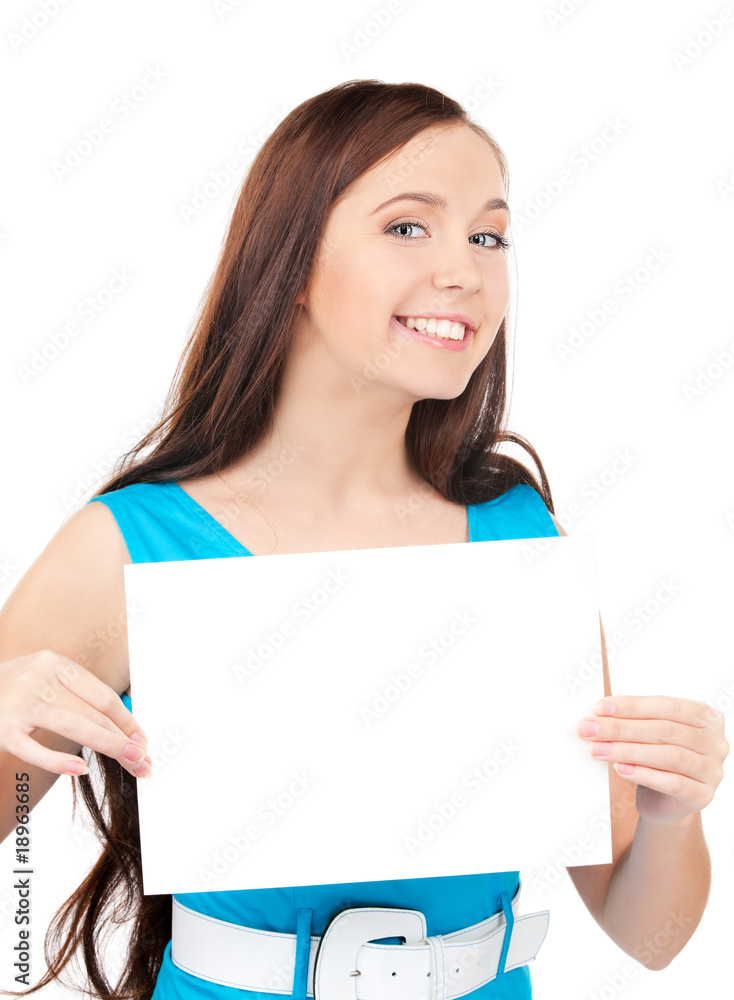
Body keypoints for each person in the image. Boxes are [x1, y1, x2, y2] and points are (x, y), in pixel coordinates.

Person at [0, 79, 727, 1000]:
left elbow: (649, 939)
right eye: (408, 227)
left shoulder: (519, 535)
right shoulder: (127, 545)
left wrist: (671, 815)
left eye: (489, 236)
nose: (465, 271)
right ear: (293, 263)